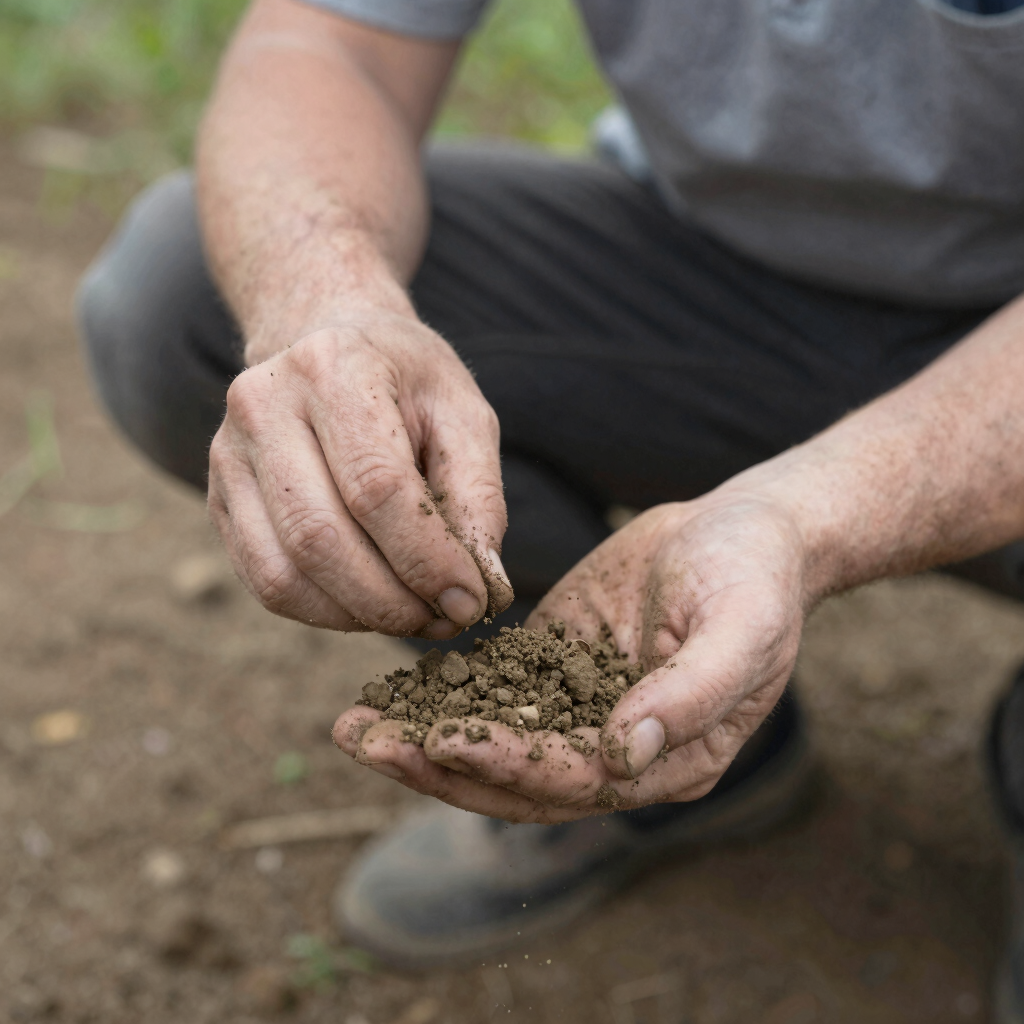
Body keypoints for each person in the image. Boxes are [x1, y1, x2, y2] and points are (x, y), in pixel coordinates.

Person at [77, 0, 1024, 1009]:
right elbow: (326, 41)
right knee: (180, 301)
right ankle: (644, 729)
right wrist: (330, 307)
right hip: (714, 282)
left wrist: (806, 513)